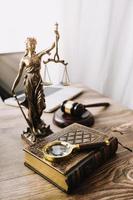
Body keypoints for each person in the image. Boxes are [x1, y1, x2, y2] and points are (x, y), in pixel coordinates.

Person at [11, 37, 55, 140]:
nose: (33, 45)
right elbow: (19, 75)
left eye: (34, 44)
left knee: (40, 104)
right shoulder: (24, 59)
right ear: (27, 45)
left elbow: (51, 47)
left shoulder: (38, 55)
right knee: (31, 106)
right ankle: (34, 127)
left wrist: (56, 36)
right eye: (31, 44)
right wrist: (13, 87)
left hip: (38, 82)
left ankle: (37, 121)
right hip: (29, 83)